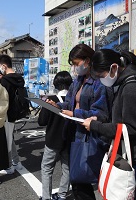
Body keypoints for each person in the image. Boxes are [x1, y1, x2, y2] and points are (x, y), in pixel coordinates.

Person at [82, 49, 136, 200]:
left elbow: (130, 129)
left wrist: (95, 126)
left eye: (101, 76)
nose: (100, 80)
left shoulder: (133, 88)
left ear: (114, 67)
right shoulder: (127, 84)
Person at [47, 44, 113, 200]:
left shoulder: (100, 82)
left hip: (88, 136)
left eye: (76, 63)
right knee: (76, 180)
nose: (75, 68)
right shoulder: (78, 81)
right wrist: (57, 105)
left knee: (81, 179)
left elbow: (101, 114)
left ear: (87, 61)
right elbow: (69, 102)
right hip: (73, 133)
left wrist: (75, 113)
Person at [38, 71, 72, 200]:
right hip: (68, 140)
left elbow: (42, 121)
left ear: (56, 85)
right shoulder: (73, 99)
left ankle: (46, 197)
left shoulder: (51, 100)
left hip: (53, 139)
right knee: (67, 168)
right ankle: (62, 194)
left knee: (47, 167)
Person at [0, 54, 24, 174]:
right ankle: (16, 162)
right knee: (10, 137)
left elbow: (3, 98)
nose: (0, 69)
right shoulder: (19, 78)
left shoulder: (5, 81)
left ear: (4, 65)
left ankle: (9, 166)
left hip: (7, 112)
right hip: (16, 111)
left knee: (7, 138)